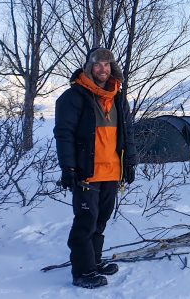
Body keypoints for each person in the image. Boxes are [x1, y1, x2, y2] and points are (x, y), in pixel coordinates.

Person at [54, 47, 137, 289]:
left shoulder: (118, 97)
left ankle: (94, 261)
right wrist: (68, 168)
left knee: (101, 219)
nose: (103, 69)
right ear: (89, 66)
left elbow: (127, 133)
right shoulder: (73, 97)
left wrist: (129, 163)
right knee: (85, 221)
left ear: (112, 68)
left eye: (107, 64)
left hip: (111, 171)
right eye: (98, 64)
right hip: (86, 172)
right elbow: (64, 134)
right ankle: (82, 271)